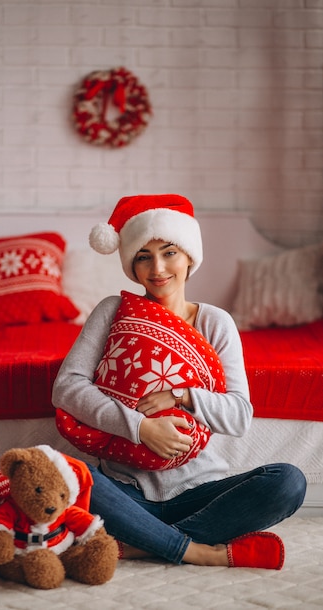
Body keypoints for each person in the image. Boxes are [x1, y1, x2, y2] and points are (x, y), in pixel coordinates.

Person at [52, 194, 306, 569]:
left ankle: (144, 541)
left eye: (169, 252)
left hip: (198, 491)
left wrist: (183, 395)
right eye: (143, 256)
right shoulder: (112, 311)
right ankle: (195, 548)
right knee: (63, 472)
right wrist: (141, 428)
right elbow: (67, 387)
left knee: (289, 481)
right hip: (126, 491)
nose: (157, 268)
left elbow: (238, 415)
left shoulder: (215, 323)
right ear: (131, 265)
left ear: (189, 256)